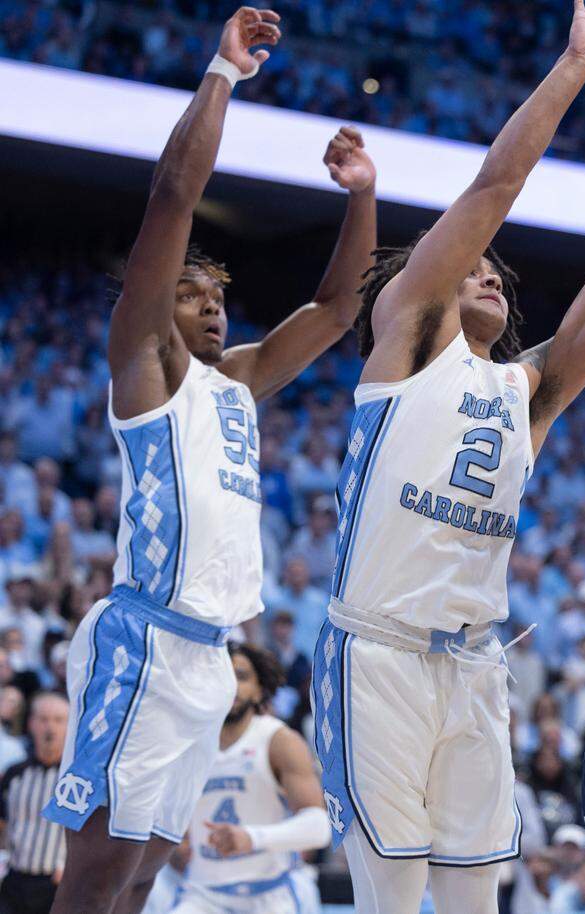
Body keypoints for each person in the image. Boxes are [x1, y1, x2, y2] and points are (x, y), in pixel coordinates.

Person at [310, 2, 585, 911]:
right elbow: (495, 189)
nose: (489, 270)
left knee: (474, 900)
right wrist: (574, 68)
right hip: (377, 653)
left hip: (472, 665)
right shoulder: (412, 340)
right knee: (393, 897)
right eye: (470, 266)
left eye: (498, 269)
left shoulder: (522, 393)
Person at [41, 8, 378, 913]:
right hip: (143, 639)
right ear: (156, 310)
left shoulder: (240, 382)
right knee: (99, 874)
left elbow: (340, 312)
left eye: (220, 297)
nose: (213, 309)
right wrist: (223, 75)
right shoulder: (144, 368)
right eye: (192, 296)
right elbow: (170, 201)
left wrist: (360, 197)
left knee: (147, 875)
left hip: (207, 659)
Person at [167, 644, 329, 913]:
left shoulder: (279, 740)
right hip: (203, 895)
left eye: (241, 677)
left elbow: (320, 827)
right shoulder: (186, 744)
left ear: (259, 689)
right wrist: (177, 848)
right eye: (221, 676)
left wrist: (251, 837)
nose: (230, 685)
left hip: (270, 893)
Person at [0, 693, 70, 914]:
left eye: (58, 720)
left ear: (70, 726)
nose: (50, 727)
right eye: (43, 719)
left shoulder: (76, 782)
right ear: (31, 723)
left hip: (55, 883)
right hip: (14, 879)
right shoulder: (14, 774)